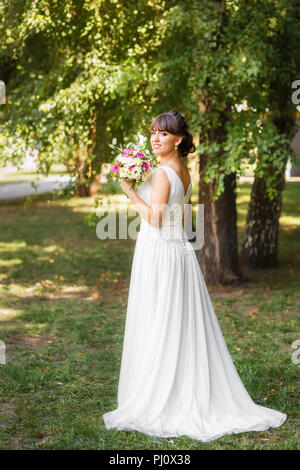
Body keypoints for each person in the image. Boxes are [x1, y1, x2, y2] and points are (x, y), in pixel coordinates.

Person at [102, 110, 286, 441]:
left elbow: (155, 219)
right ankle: (177, 386)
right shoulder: (183, 172)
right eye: (153, 132)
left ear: (180, 139)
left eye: (163, 133)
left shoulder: (162, 174)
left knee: (160, 321)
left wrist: (129, 190)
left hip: (160, 253)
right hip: (177, 253)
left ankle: (163, 395)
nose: (155, 138)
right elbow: (182, 220)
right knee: (174, 324)